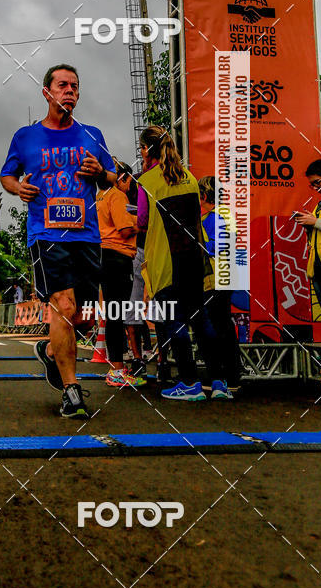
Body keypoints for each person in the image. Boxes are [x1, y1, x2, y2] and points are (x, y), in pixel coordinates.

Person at [0, 63, 117, 419]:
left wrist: (101, 172)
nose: (70, 91)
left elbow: (112, 176)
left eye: (75, 87)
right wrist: (19, 187)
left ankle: (50, 352)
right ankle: (71, 391)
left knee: (83, 315)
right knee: (62, 306)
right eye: (63, 85)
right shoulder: (25, 136)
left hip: (87, 233)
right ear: (47, 92)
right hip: (45, 233)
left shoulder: (92, 134)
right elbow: (7, 175)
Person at [137, 125, 231, 401]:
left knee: (174, 321)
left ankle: (189, 383)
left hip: (166, 262)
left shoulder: (148, 181)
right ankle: (218, 382)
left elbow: (142, 221)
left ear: (146, 149)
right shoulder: (189, 177)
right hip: (193, 259)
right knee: (201, 321)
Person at [97, 159, 146, 387]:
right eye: (129, 180)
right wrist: (143, 222)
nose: (130, 185)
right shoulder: (117, 195)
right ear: (122, 178)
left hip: (104, 256)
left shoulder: (99, 196)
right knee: (117, 315)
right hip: (118, 256)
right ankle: (116, 369)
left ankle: (117, 367)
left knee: (113, 314)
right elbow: (126, 230)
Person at [199, 176, 243, 390]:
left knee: (216, 327)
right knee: (223, 326)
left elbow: (217, 246)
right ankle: (231, 376)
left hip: (215, 278)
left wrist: (196, 243)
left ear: (205, 196)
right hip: (225, 276)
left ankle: (222, 376)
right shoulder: (225, 214)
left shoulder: (214, 216)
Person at [295, 159, 321, 341]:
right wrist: (309, 224)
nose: (315, 188)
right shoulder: (319, 205)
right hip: (318, 268)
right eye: (312, 185)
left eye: (317, 183)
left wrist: (316, 222)